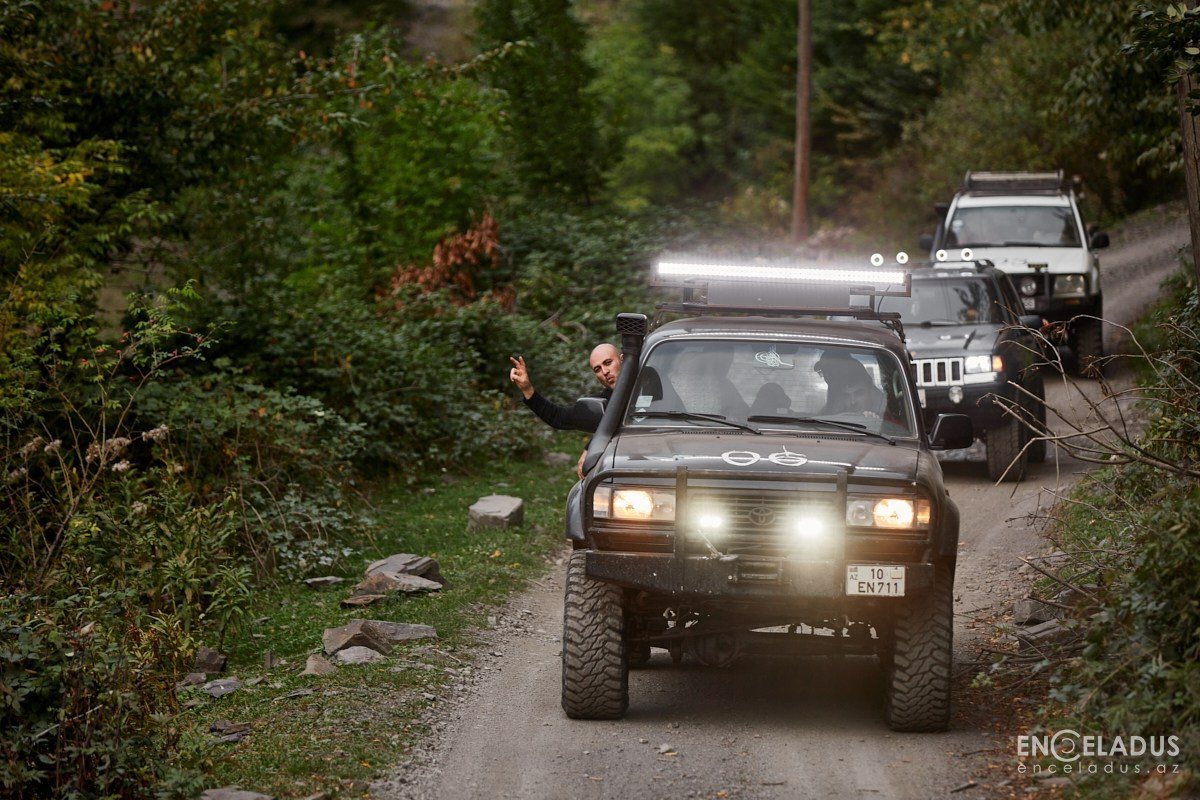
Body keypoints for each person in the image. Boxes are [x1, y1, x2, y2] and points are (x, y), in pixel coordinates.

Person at [509, 343, 623, 476]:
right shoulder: (606, 400)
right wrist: (527, 389)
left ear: (623, 359)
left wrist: (590, 447)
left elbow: (624, 415)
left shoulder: (650, 381)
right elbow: (558, 417)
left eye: (608, 363)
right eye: (598, 369)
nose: (605, 372)